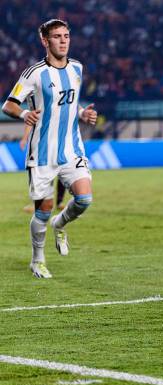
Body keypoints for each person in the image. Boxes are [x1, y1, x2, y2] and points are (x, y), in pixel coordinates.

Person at [2, 19, 97, 278]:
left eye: (66, 35)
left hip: (71, 150)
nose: (64, 40)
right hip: (42, 154)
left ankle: (61, 222)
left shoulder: (77, 68)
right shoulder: (34, 73)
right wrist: (23, 115)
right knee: (42, 212)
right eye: (57, 36)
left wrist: (82, 114)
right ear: (45, 41)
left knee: (84, 199)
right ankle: (38, 260)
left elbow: (68, 103)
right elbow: (8, 105)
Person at [19, 124, 67, 214]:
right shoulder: (39, 110)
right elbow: (30, 120)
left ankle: (59, 202)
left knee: (61, 173)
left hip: (60, 144)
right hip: (42, 145)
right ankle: (38, 203)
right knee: (45, 174)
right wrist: (25, 138)